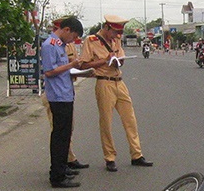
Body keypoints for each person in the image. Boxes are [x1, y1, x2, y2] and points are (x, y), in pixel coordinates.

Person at [80, 15, 153, 172]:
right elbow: (83, 64)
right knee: (106, 122)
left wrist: (118, 60)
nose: (117, 36)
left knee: (130, 119)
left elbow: (121, 57)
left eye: (119, 33)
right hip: (104, 82)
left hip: (119, 81)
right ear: (106, 27)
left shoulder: (116, 40)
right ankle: (110, 157)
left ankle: (136, 155)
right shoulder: (91, 41)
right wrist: (105, 60)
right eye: (114, 32)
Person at [41, 17, 90, 171]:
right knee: (60, 136)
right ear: (66, 29)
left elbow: (62, 70)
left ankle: (63, 167)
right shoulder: (50, 45)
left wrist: (82, 72)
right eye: (73, 36)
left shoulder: (60, 45)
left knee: (66, 134)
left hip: (66, 94)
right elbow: (49, 72)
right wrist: (71, 65)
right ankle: (57, 173)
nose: (72, 41)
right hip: (57, 96)